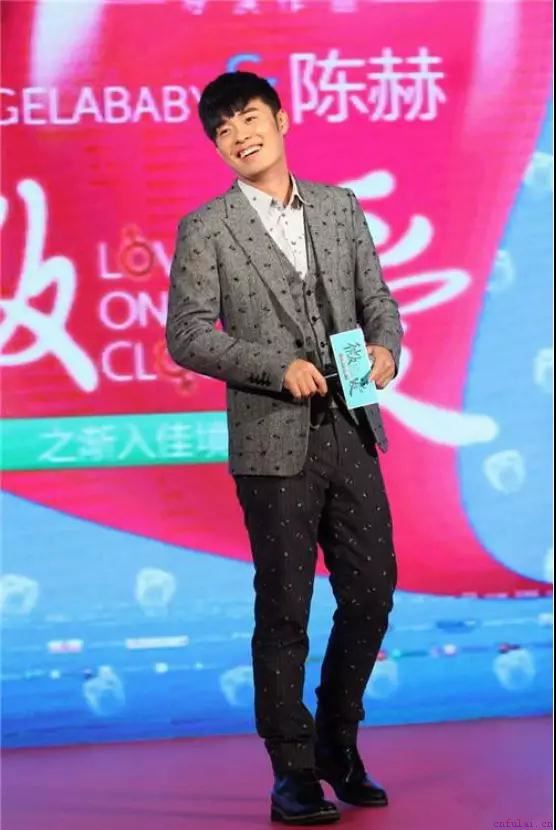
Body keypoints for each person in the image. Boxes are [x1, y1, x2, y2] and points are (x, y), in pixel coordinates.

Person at [166, 71, 403, 826]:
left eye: (248, 118)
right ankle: (292, 772)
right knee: (285, 609)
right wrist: (276, 367)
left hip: (352, 424)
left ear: (282, 118)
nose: (239, 136)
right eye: (223, 130)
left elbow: (377, 300)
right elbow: (186, 335)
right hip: (272, 442)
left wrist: (386, 348)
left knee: (372, 592)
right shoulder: (207, 227)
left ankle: (338, 740)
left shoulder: (339, 207)